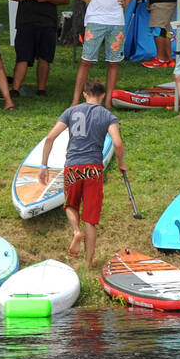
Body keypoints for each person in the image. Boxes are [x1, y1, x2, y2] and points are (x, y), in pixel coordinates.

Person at [37, 79, 126, 270]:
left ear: (85, 94)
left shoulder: (71, 112)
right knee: (90, 219)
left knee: (70, 205)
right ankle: (88, 263)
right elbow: (117, 143)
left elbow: (51, 137)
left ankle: (76, 231)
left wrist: (43, 165)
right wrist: (121, 163)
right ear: (102, 96)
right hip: (93, 168)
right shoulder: (108, 116)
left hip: (73, 167)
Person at [65, 0, 139, 107]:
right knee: (86, 61)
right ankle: (76, 100)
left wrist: (127, 1)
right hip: (95, 19)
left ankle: (108, 101)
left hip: (116, 19)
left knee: (113, 62)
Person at [8, 0, 68, 97]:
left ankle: (41, 89)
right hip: (25, 21)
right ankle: (15, 89)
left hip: (47, 22)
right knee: (22, 56)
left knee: (45, 56)